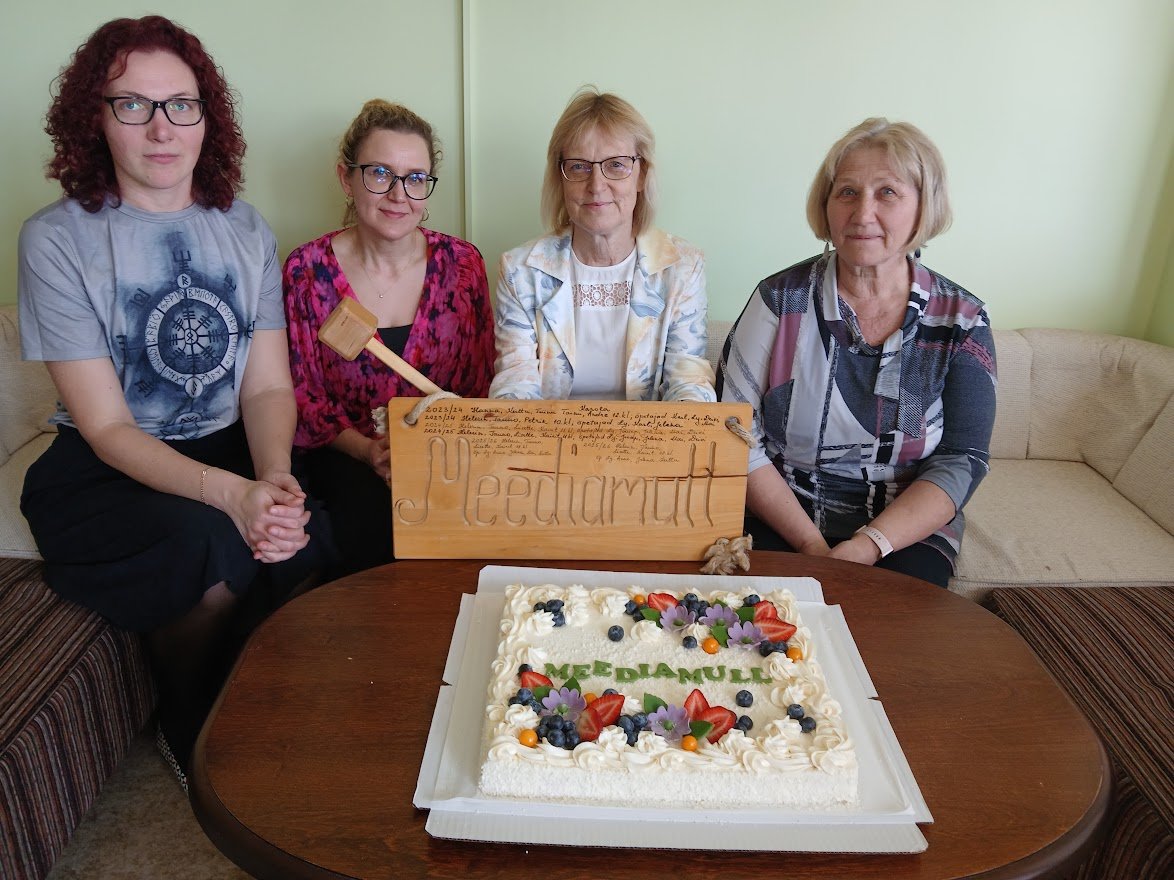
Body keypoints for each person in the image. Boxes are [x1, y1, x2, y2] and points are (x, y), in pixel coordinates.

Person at [17, 15, 333, 782]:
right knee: (210, 544)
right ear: (95, 119)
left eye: (180, 105)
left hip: (226, 442)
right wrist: (234, 496)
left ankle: (260, 704)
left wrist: (274, 478)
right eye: (133, 104)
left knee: (314, 528)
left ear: (206, 117)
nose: (162, 128)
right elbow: (105, 426)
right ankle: (190, 723)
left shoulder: (245, 229)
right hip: (108, 465)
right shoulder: (56, 239)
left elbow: (267, 384)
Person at [717, 118, 996, 587]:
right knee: (757, 621)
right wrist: (813, 549)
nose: (863, 213)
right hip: (781, 514)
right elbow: (733, 434)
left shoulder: (961, 320)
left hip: (904, 529)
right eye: (847, 192)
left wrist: (867, 545)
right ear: (826, 206)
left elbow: (962, 459)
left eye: (887, 192)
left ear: (923, 208)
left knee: (895, 627)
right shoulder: (778, 300)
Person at [283, 100, 494, 577]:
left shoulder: (462, 265)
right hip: (348, 459)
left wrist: (433, 449)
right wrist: (369, 451)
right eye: (380, 173)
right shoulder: (306, 271)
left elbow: (480, 381)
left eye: (415, 178)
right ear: (347, 178)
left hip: (446, 455)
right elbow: (305, 395)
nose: (399, 195)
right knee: (371, 527)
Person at [489, 87, 715, 402]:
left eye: (616, 165)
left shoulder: (682, 268)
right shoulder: (520, 271)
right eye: (579, 166)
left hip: (649, 434)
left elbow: (688, 384)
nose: (596, 186)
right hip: (548, 433)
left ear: (641, 176)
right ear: (560, 177)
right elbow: (515, 386)